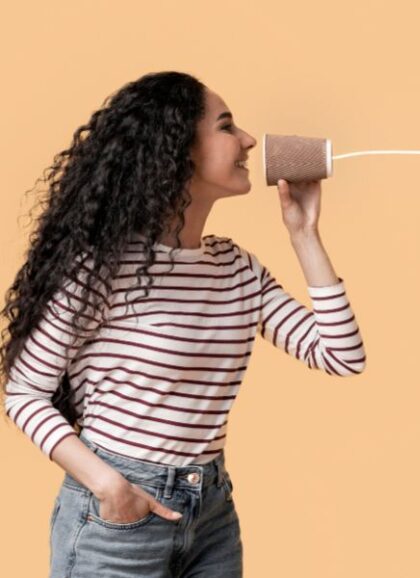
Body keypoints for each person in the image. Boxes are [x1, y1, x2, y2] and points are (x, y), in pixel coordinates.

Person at [0, 70, 366, 577]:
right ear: (178, 150)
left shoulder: (236, 270)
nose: (248, 140)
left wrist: (304, 234)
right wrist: (111, 487)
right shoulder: (101, 269)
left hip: (211, 511)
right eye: (226, 126)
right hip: (118, 516)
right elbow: (23, 393)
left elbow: (341, 355)